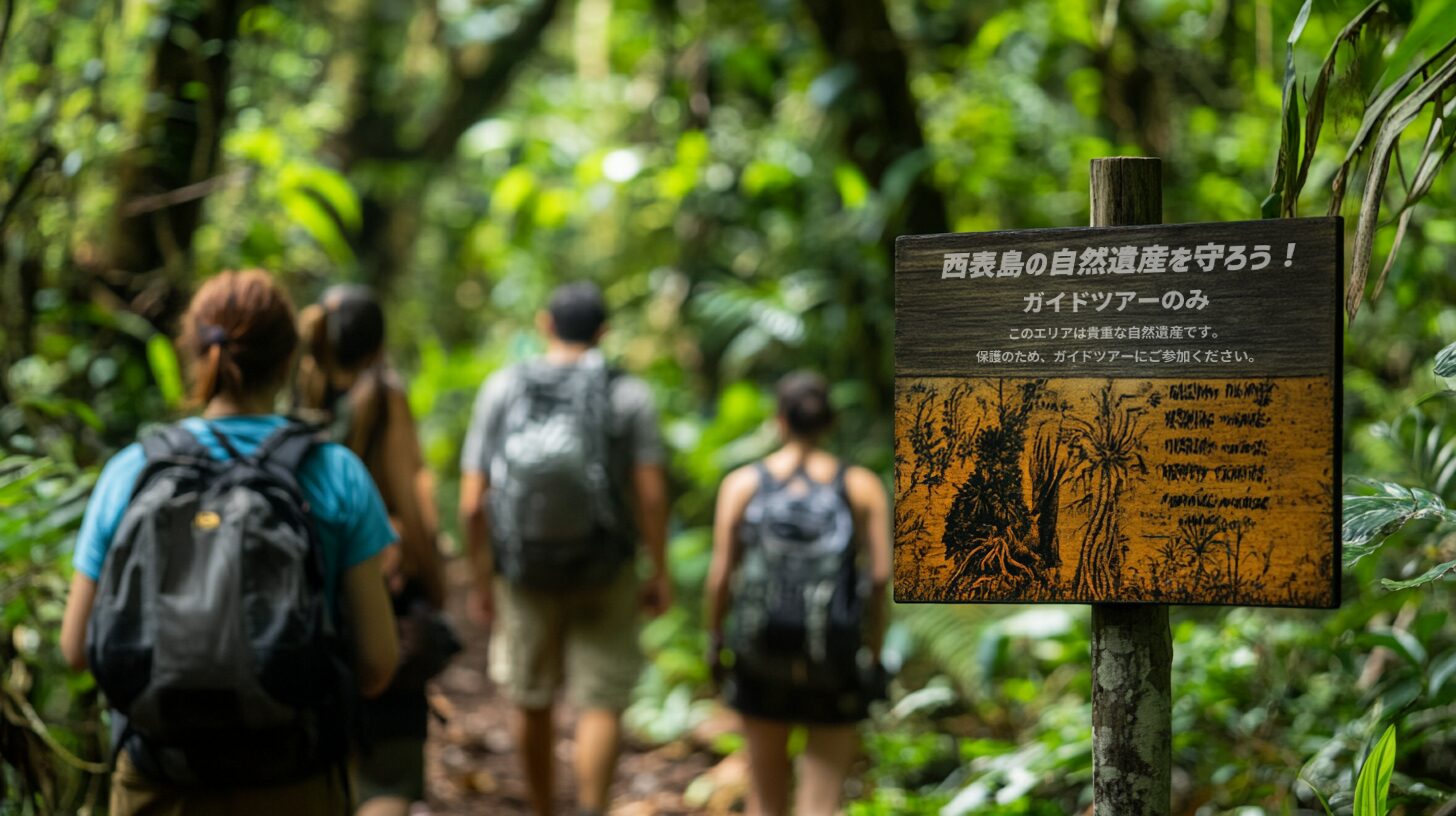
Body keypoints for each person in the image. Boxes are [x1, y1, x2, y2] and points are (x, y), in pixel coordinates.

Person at [59, 269, 400, 815]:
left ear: (194, 353)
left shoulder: (132, 471)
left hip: (159, 785)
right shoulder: (336, 473)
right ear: (291, 358)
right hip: (294, 782)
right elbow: (378, 665)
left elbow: (77, 649)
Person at [459, 281, 671, 816]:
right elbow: (649, 495)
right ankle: (593, 807)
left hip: (524, 568)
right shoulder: (630, 394)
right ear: (604, 332)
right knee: (600, 700)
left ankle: (542, 808)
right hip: (606, 566)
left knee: (533, 697)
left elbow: (471, 503)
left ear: (544, 324)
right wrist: (659, 570)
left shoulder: (503, 388)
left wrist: (484, 578)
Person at [704, 372, 891, 816]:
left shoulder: (743, 484)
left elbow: (720, 575)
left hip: (760, 651)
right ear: (830, 422)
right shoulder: (861, 486)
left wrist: (715, 640)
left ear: (779, 420)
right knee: (820, 802)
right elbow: (881, 575)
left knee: (765, 797)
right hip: (834, 656)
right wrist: (874, 652)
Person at [294, 284, 450, 816]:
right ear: (378, 346)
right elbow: (408, 490)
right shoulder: (384, 393)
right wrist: (434, 577)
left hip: (309, 585)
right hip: (382, 580)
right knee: (390, 771)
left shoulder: (299, 389)